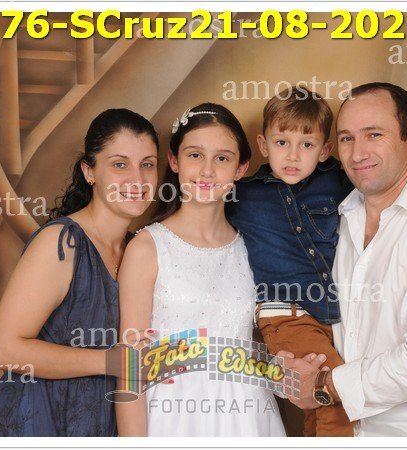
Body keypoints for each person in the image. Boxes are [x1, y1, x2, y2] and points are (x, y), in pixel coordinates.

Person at [227, 88, 407, 437]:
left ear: (325, 150)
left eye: (307, 145)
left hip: (332, 316)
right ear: (263, 145)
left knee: (316, 404)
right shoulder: (243, 195)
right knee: (336, 398)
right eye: (281, 143)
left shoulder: (339, 180)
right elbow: (201, 209)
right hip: (286, 315)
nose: (292, 155)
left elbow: (390, 179)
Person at [281, 82, 407, 437]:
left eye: (374, 134)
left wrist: (326, 385)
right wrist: (293, 362)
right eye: (347, 138)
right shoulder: (337, 215)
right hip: (347, 433)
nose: (358, 153)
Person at [0, 109, 159, 437]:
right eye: (120, 165)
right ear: (89, 172)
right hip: (35, 423)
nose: (137, 179)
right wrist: (109, 362)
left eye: (147, 164)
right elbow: (2, 349)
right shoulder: (62, 242)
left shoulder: (140, 249)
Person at [116, 103, 287, 437]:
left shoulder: (252, 248)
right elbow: (130, 366)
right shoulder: (147, 248)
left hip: (248, 415)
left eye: (222, 158)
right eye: (195, 155)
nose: (207, 171)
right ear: (174, 161)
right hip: (173, 417)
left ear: (241, 168)